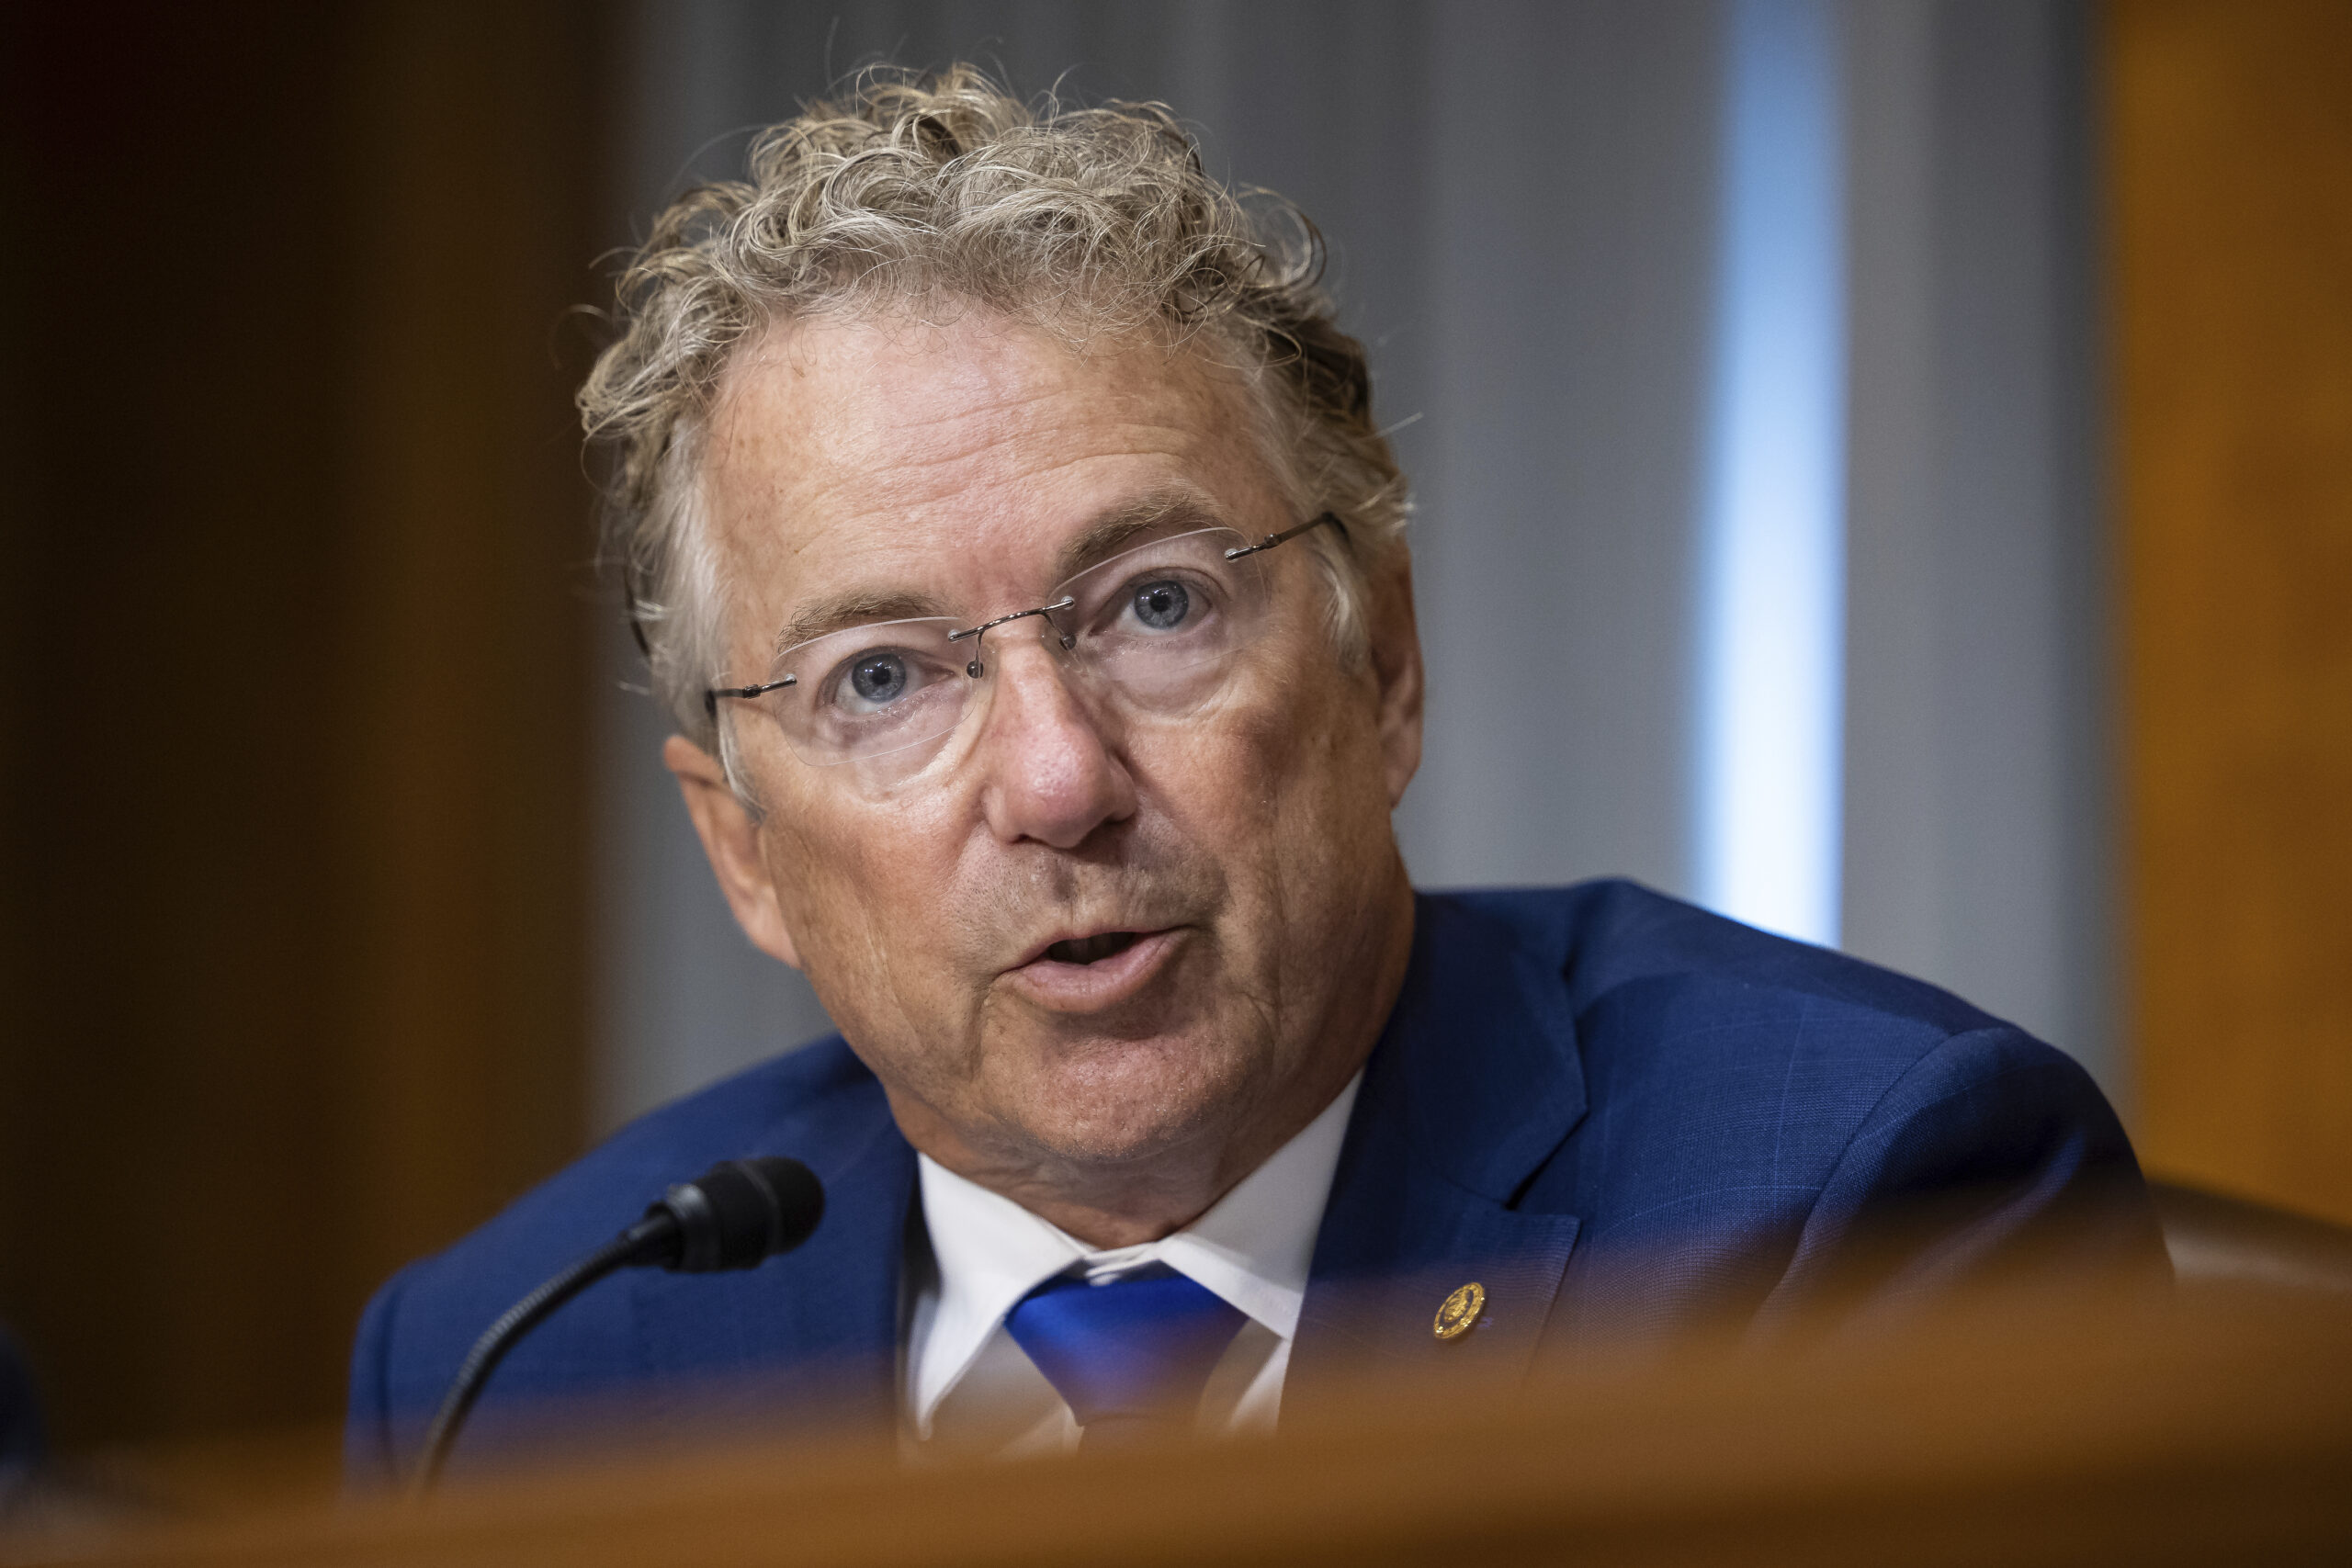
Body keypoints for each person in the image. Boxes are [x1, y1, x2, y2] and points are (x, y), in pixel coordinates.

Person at [345, 66, 2162, 1482]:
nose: (1057, 778)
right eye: (881, 677)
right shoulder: (518, 1375)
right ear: (742, 850)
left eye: (1156, 605)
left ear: (1384, 664)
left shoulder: (1849, 1212)